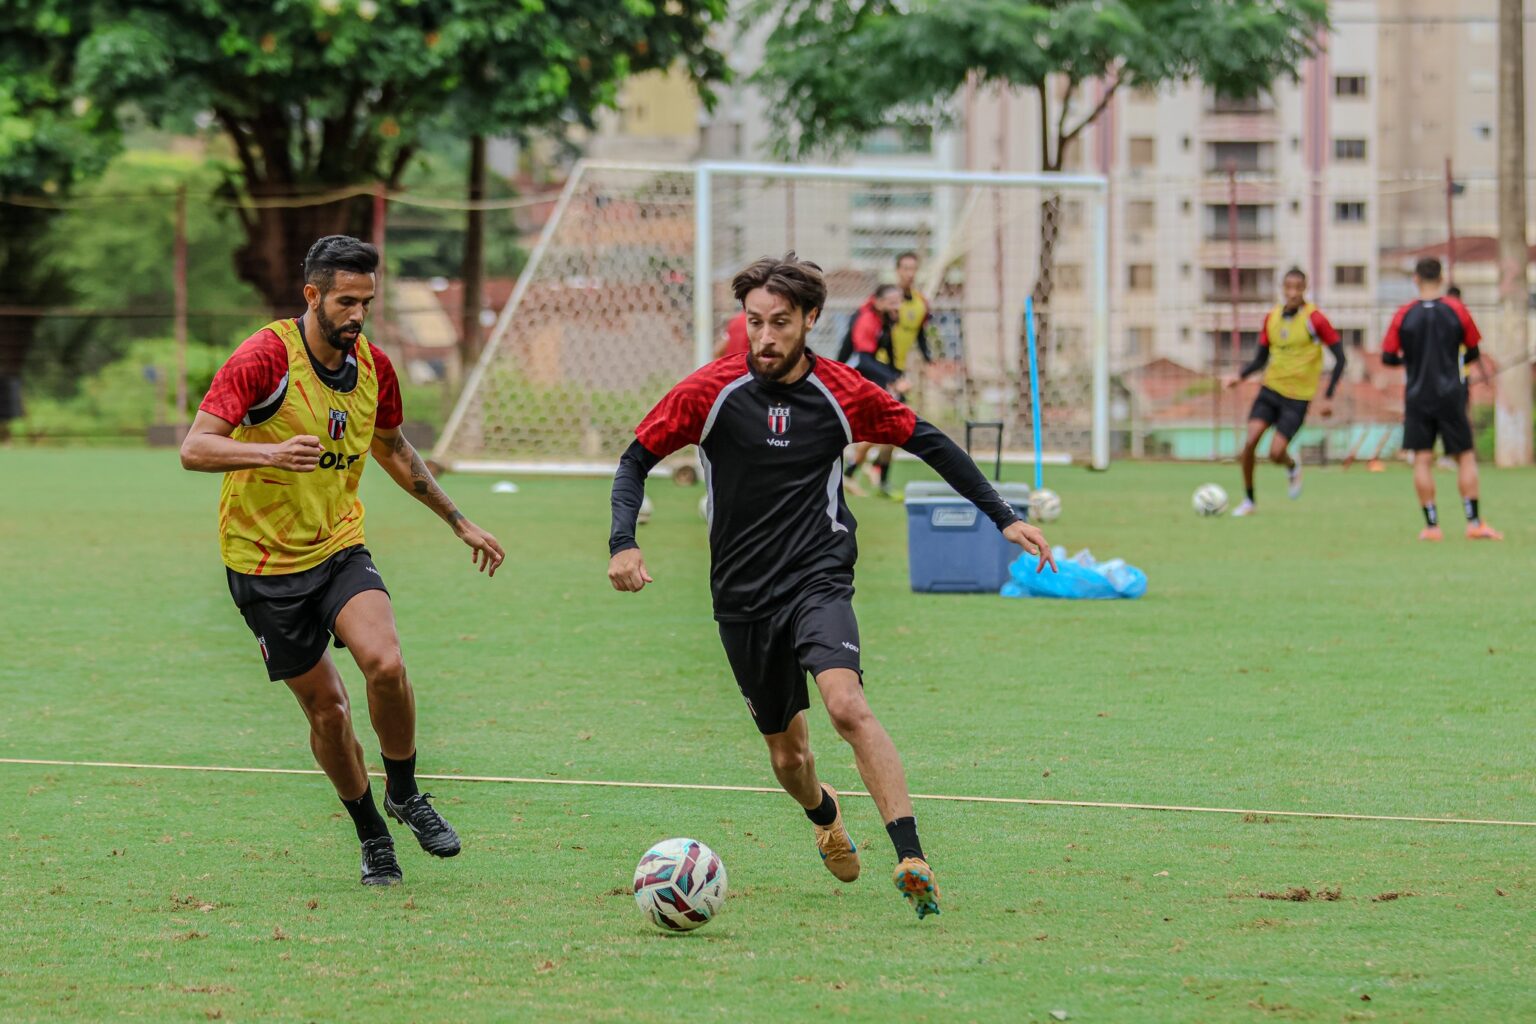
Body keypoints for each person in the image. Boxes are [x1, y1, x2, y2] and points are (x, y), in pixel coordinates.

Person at [607, 253, 1054, 920]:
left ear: (811, 320)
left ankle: (911, 855)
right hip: (741, 594)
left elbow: (927, 441)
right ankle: (824, 813)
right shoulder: (710, 391)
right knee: (790, 757)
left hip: (818, 576)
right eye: (754, 322)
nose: (764, 337)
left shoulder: (844, 393)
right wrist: (624, 541)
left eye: (780, 323)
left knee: (846, 704)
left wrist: (1004, 519)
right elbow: (637, 456)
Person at [180, 235, 506, 886]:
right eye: (345, 301)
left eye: (367, 302)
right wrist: (269, 453)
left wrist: (458, 519)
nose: (357, 315)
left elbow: (391, 449)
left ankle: (406, 791)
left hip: (337, 548)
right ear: (313, 296)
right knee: (328, 712)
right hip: (262, 564)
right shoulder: (266, 356)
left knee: (385, 661)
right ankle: (370, 833)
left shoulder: (375, 370)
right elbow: (195, 447)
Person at [1379, 257, 1501, 541]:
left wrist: (1412, 361)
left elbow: (1387, 356)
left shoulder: (1403, 314)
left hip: (1418, 396)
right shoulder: (1457, 310)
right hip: (1451, 394)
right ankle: (1473, 523)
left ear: (1416, 279)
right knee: (1465, 457)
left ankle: (1432, 526)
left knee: (1422, 459)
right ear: (1442, 277)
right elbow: (1472, 350)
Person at [1222, 267, 1346, 516]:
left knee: (1275, 453)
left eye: (1297, 288)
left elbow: (1341, 359)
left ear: (1304, 289)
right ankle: (1249, 501)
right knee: (1249, 442)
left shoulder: (1315, 320)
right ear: (1282, 288)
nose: (1292, 293)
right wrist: (1240, 376)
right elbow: (1260, 359)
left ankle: (1291, 465)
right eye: (1288, 287)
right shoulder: (1271, 318)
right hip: (1270, 389)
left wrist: (1328, 396)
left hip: (1298, 397)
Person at [837, 284, 903, 496]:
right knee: (886, 427)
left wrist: (897, 375)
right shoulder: (866, 319)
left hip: (869, 376)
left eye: (899, 301)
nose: (898, 306)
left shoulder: (885, 321)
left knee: (892, 426)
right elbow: (862, 359)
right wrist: (893, 378)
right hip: (853, 380)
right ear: (879, 302)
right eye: (893, 302)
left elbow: (888, 354)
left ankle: (866, 473)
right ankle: (857, 472)